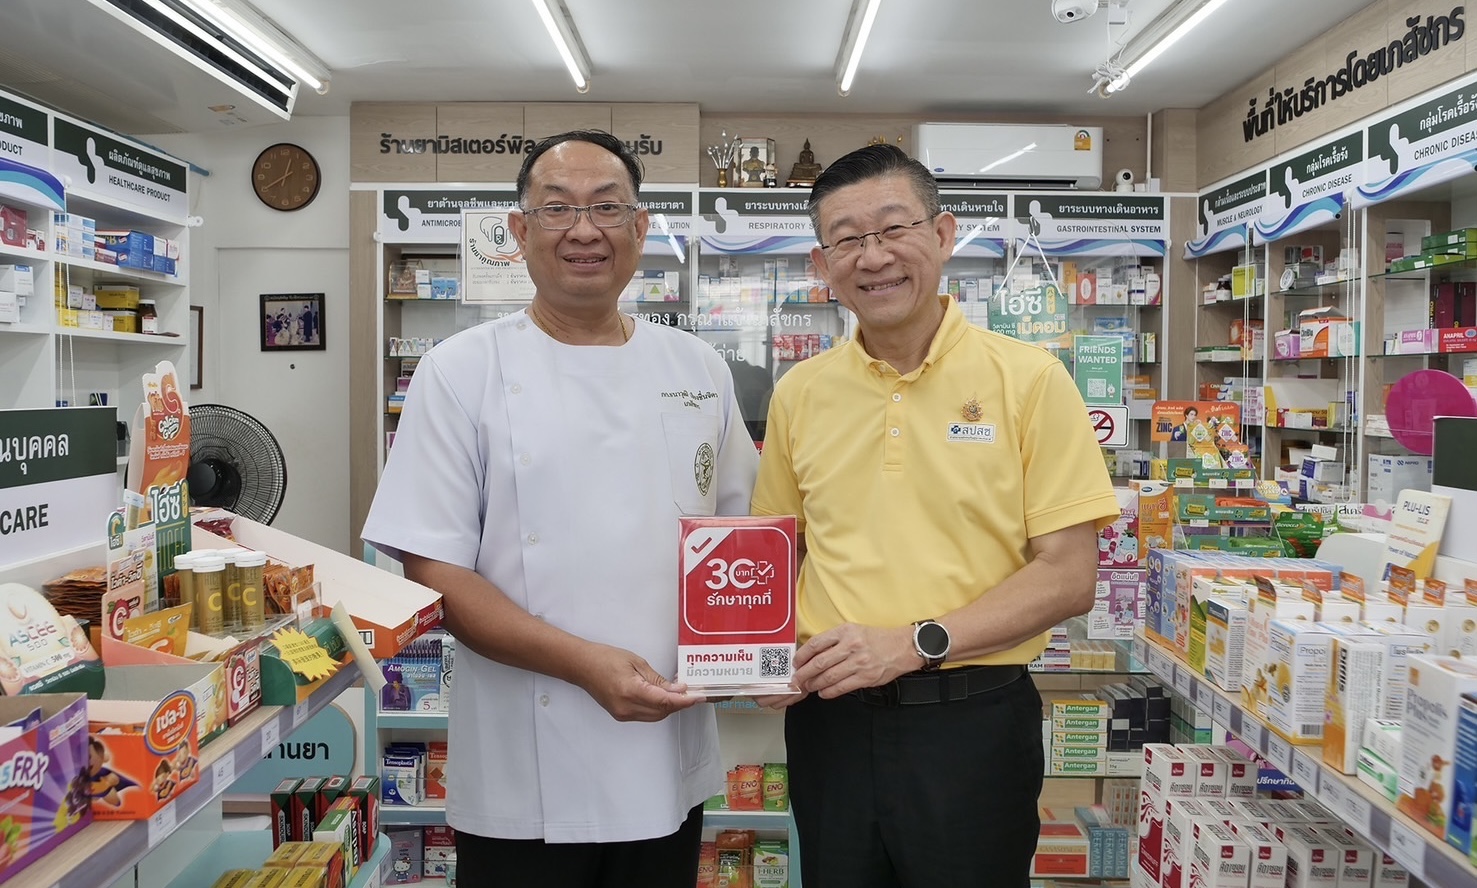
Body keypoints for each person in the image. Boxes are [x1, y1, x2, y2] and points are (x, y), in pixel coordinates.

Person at [362, 130, 758, 888]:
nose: (584, 230)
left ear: (640, 227)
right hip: (524, 765)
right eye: (557, 209)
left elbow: (738, 542)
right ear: (519, 231)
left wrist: (751, 656)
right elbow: (434, 571)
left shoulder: (697, 367)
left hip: (665, 744)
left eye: (607, 208)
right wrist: (582, 664)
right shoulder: (461, 370)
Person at [750, 143, 1120, 888]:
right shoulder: (800, 392)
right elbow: (777, 552)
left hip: (973, 725)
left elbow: (1068, 576)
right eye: (847, 239)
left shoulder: (1029, 379)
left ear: (944, 234)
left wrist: (915, 643)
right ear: (822, 266)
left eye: (895, 228)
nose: (874, 256)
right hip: (830, 723)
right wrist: (761, 656)